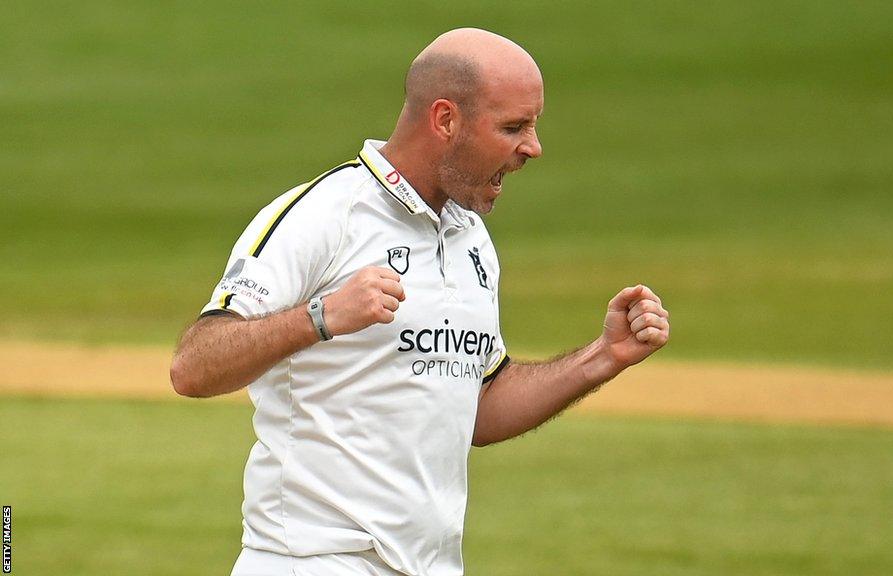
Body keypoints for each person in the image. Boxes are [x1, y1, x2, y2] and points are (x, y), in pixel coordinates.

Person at [170, 27, 670, 576]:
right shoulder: (326, 217)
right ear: (445, 120)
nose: (533, 146)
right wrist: (321, 318)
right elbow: (194, 366)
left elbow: (476, 408)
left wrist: (603, 356)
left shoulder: (470, 238)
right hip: (311, 562)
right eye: (513, 126)